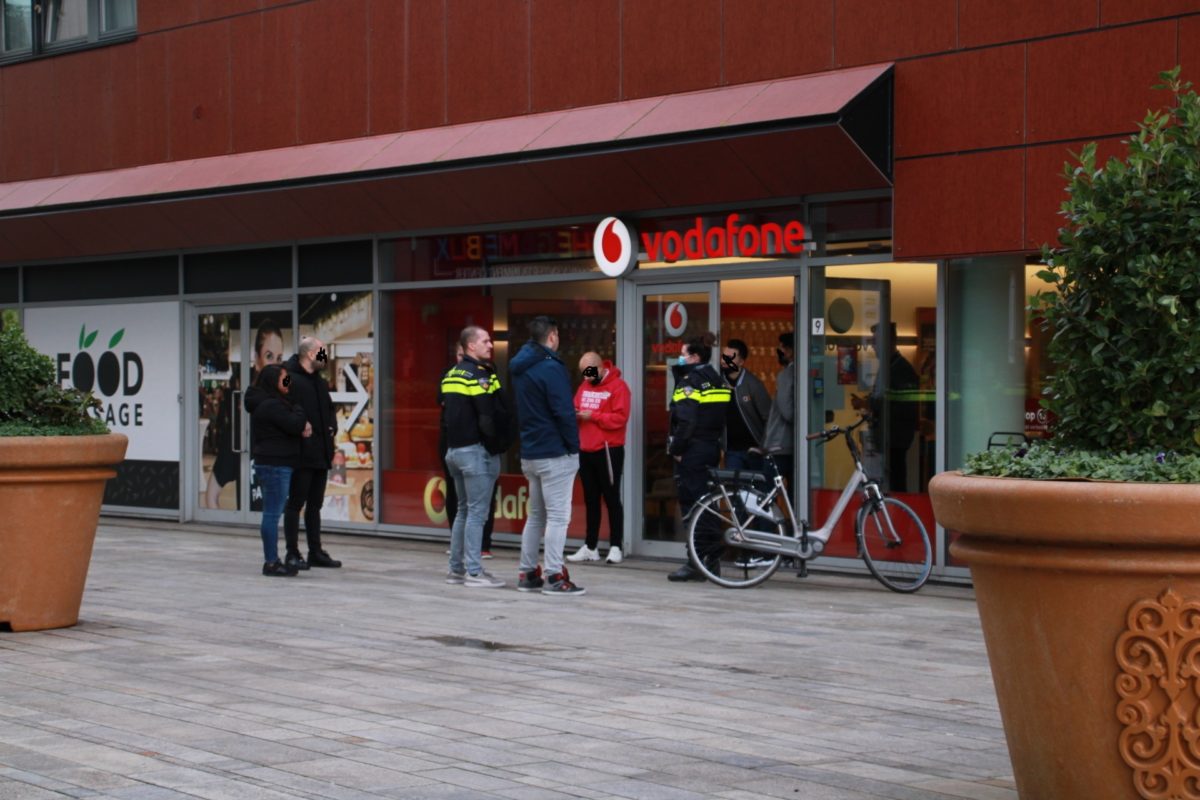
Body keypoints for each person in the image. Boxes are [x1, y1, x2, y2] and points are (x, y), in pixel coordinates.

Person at [510, 316, 584, 596]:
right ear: (552, 336)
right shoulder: (551, 367)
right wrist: (573, 446)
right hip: (555, 452)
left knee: (536, 516)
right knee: (558, 517)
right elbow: (563, 411)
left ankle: (528, 572)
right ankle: (554, 575)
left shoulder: (520, 366)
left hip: (531, 451)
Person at [440, 326, 509, 588]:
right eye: (485, 341)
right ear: (471, 346)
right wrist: (497, 445)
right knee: (477, 513)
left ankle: (456, 569)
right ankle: (474, 572)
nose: (490, 345)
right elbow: (488, 416)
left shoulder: (451, 374)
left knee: (463, 511)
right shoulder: (480, 375)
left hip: (454, 451)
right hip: (475, 452)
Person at [666, 333, 731, 582]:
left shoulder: (690, 382)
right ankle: (710, 562)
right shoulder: (717, 379)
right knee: (707, 505)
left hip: (692, 451)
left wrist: (677, 449)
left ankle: (696, 561)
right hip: (711, 447)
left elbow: (686, 421)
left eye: (683, 354)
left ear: (694, 357)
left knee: (693, 507)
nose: (680, 358)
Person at [204, 320, 284, 509]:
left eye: (279, 358)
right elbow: (211, 495)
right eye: (269, 356)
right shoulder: (243, 427)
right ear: (257, 360)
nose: (275, 365)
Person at [244, 363, 310, 576]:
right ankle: (271, 562)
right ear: (274, 381)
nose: (288, 381)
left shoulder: (270, 402)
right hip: (275, 464)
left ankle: (272, 560)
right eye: (284, 378)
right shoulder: (271, 405)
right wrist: (299, 410)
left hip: (275, 463)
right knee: (272, 514)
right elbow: (294, 424)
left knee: (272, 512)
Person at [282, 336, 341, 570]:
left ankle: (315, 551)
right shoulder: (288, 376)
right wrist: (299, 424)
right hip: (300, 452)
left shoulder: (319, 380)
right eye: (322, 351)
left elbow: (329, 408)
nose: (325, 356)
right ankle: (292, 552)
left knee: (315, 504)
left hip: (321, 452)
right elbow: (280, 404)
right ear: (309, 353)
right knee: (295, 503)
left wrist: (332, 425)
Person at [567, 352, 631, 565]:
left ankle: (616, 546)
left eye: (589, 372)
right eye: (583, 373)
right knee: (591, 499)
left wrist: (593, 416)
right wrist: (576, 413)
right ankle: (591, 546)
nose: (586, 377)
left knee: (611, 498)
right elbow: (575, 407)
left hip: (608, 450)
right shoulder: (584, 386)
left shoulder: (619, 387)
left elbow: (620, 419)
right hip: (586, 449)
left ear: (601, 368)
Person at [439, 343, 498, 558]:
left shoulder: (481, 372)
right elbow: (488, 411)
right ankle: (473, 566)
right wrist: (495, 441)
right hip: (470, 448)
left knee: (466, 507)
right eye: (458, 354)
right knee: (472, 508)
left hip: (456, 447)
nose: (490, 345)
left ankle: (460, 561)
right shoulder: (475, 374)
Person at [852, 322, 920, 492]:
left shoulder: (901, 369)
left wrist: (868, 404)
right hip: (888, 439)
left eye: (875, 342)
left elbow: (898, 405)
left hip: (895, 439)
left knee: (896, 482)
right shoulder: (889, 367)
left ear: (889, 342)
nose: (873, 347)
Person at [719, 338, 772, 473]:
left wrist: (763, 446)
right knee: (735, 485)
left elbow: (769, 418)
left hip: (755, 450)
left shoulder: (753, 385)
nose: (724, 360)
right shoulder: (718, 384)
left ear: (741, 362)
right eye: (724, 356)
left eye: (730, 357)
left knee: (758, 485)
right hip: (732, 451)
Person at [762, 331, 796, 489]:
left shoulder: (786, 375)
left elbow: (787, 411)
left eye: (782, 348)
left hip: (780, 444)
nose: (780, 352)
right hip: (791, 445)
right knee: (795, 495)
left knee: (767, 493)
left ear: (790, 351)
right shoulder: (798, 373)